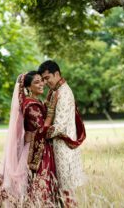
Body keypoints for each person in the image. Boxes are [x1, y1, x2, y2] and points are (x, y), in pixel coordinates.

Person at [0, 71, 60, 207]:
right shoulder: (31, 105)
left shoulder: (35, 102)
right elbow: (42, 129)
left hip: (36, 145)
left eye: (42, 81)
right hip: (36, 149)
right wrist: (54, 117)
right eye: (36, 82)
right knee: (36, 185)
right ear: (28, 87)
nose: (42, 84)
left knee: (31, 185)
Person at [38, 60, 86, 207]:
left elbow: (59, 127)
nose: (45, 82)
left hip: (64, 149)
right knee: (60, 193)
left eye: (47, 78)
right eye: (43, 79)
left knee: (67, 194)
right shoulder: (55, 91)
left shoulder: (64, 93)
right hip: (58, 148)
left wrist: (39, 133)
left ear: (57, 74)